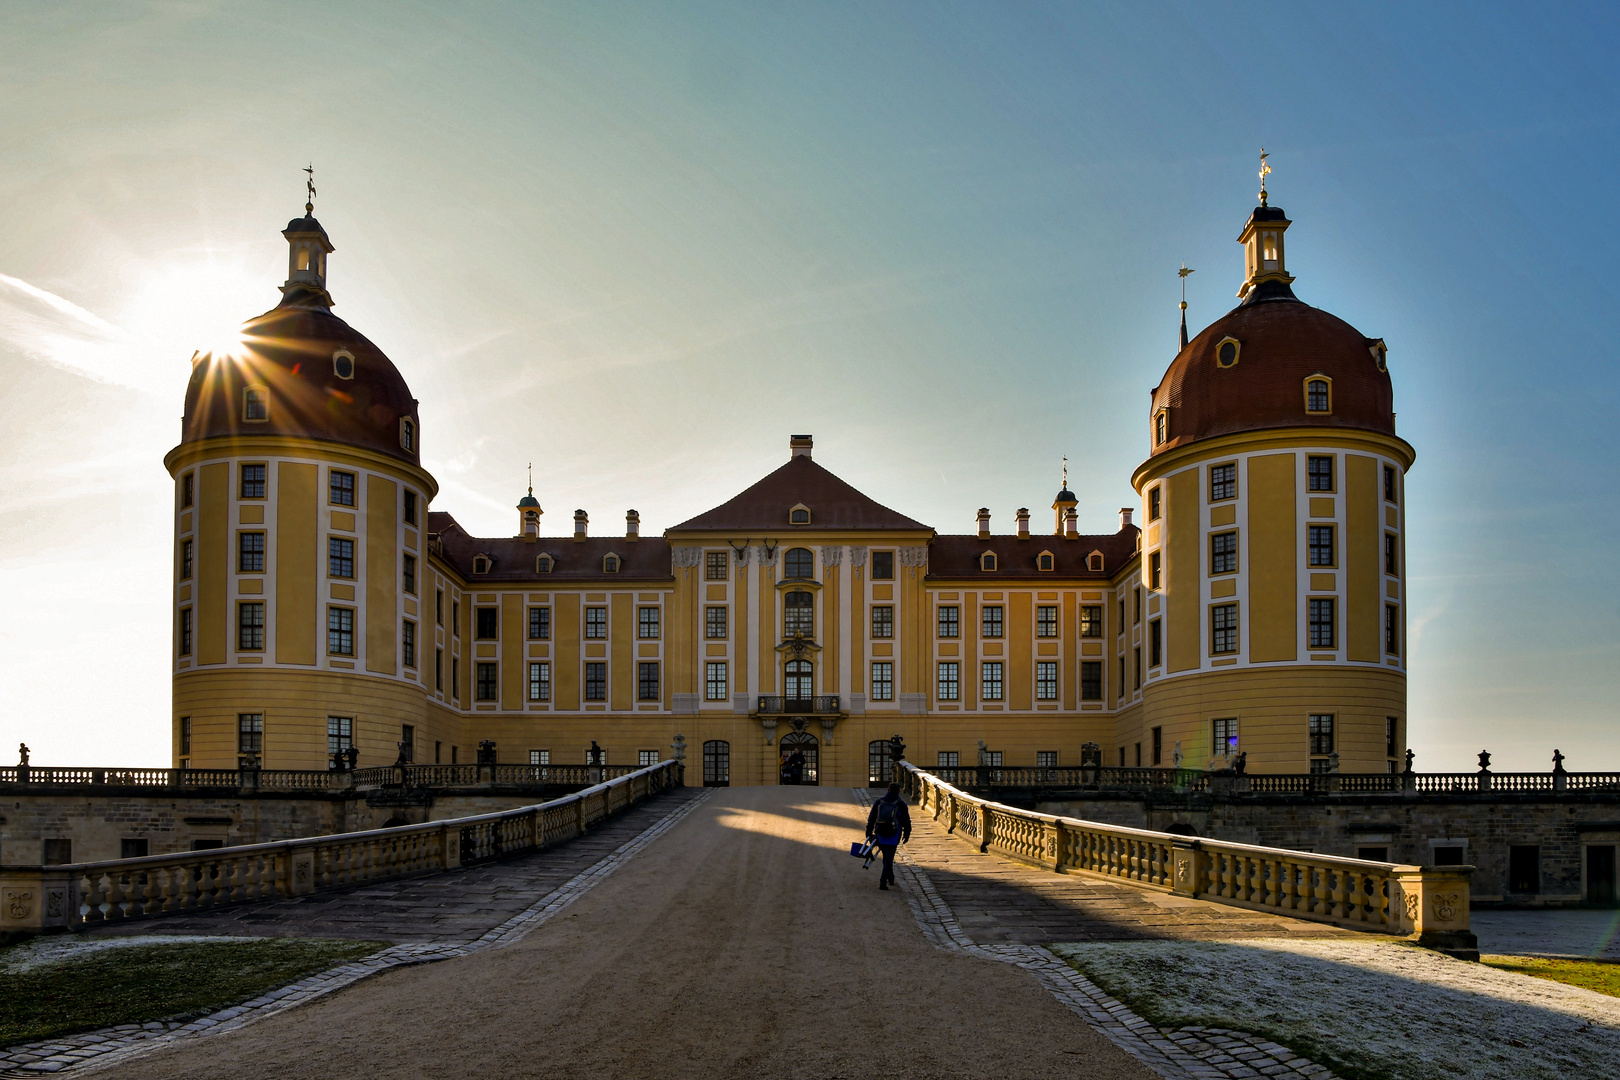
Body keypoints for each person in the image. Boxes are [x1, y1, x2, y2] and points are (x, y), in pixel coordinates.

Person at [865, 783, 912, 890]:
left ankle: (890, 877)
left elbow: (871, 818)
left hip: (880, 832)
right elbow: (906, 821)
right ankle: (883, 881)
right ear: (898, 791)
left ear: (888, 789)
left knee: (886, 856)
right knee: (889, 858)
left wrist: (868, 833)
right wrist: (907, 834)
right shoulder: (901, 804)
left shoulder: (879, 802)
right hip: (894, 834)